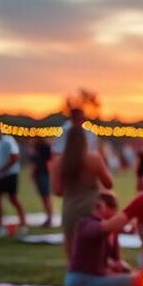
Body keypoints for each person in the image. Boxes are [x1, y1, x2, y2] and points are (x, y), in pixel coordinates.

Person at [50, 109, 113, 261]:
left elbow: (58, 191)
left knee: (72, 258)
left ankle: (74, 281)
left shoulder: (59, 162)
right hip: (92, 211)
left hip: (70, 210)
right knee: (92, 256)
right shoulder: (94, 159)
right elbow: (108, 184)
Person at [65, 191, 140, 286]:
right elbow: (100, 228)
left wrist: (125, 271)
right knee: (138, 281)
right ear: (102, 207)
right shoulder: (86, 223)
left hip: (98, 277)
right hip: (81, 281)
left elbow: (116, 261)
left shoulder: (111, 231)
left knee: (136, 277)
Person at [0, 121, 27, 237]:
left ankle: (23, 223)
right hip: (0, 175)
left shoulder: (8, 140)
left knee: (13, 199)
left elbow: (14, 157)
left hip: (10, 174)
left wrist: (3, 169)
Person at [28, 137, 54, 227]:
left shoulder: (45, 147)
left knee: (46, 196)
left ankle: (50, 217)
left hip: (44, 173)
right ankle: (47, 217)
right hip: (38, 174)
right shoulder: (34, 147)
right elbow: (33, 162)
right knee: (43, 197)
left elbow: (50, 160)